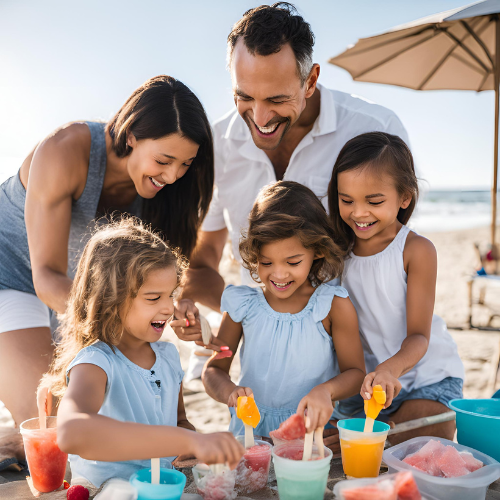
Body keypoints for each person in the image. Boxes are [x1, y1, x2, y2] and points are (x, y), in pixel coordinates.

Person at [0, 75, 213, 457]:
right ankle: (11, 445)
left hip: (84, 295)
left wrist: (172, 305)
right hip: (11, 277)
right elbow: (47, 277)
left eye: (185, 164)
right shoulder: (66, 149)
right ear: (130, 135)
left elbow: (151, 274)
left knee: (96, 427)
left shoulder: (165, 191)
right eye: (163, 160)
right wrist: (123, 316)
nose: (172, 176)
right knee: (49, 431)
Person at [174, 2, 409, 337]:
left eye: (276, 99)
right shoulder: (217, 145)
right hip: (264, 354)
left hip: (363, 353)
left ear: (310, 81)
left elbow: (394, 255)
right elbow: (200, 262)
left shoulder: (376, 130)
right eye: (244, 97)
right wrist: (247, 315)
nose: (259, 118)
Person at [40, 218, 244, 487]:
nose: (169, 308)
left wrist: (190, 441)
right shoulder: (96, 362)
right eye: (153, 298)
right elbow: (71, 433)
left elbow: (179, 421)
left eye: (171, 294)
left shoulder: (169, 358)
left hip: (161, 488)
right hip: (108, 490)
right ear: (110, 300)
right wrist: (189, 440)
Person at [202, 181, 365, 444]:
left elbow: (356, 373)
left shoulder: (332, 305)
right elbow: (213, 371)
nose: (278, 274)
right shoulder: (243, 305)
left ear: (318, 250)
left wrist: (326, 391)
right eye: (266, 263)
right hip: (249, 435)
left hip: (310, 436)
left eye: (293, 262)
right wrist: (230, 393)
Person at [327, 132, 464, 444]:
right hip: (365, 385)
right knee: (331, 444)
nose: (358, 213)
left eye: (374, 202)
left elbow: (419, 335)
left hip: (424, 378)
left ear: (405, 197)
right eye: (346, 200)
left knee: (428, 433)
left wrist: (390, 370)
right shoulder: (335, 252)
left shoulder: (416, 250)